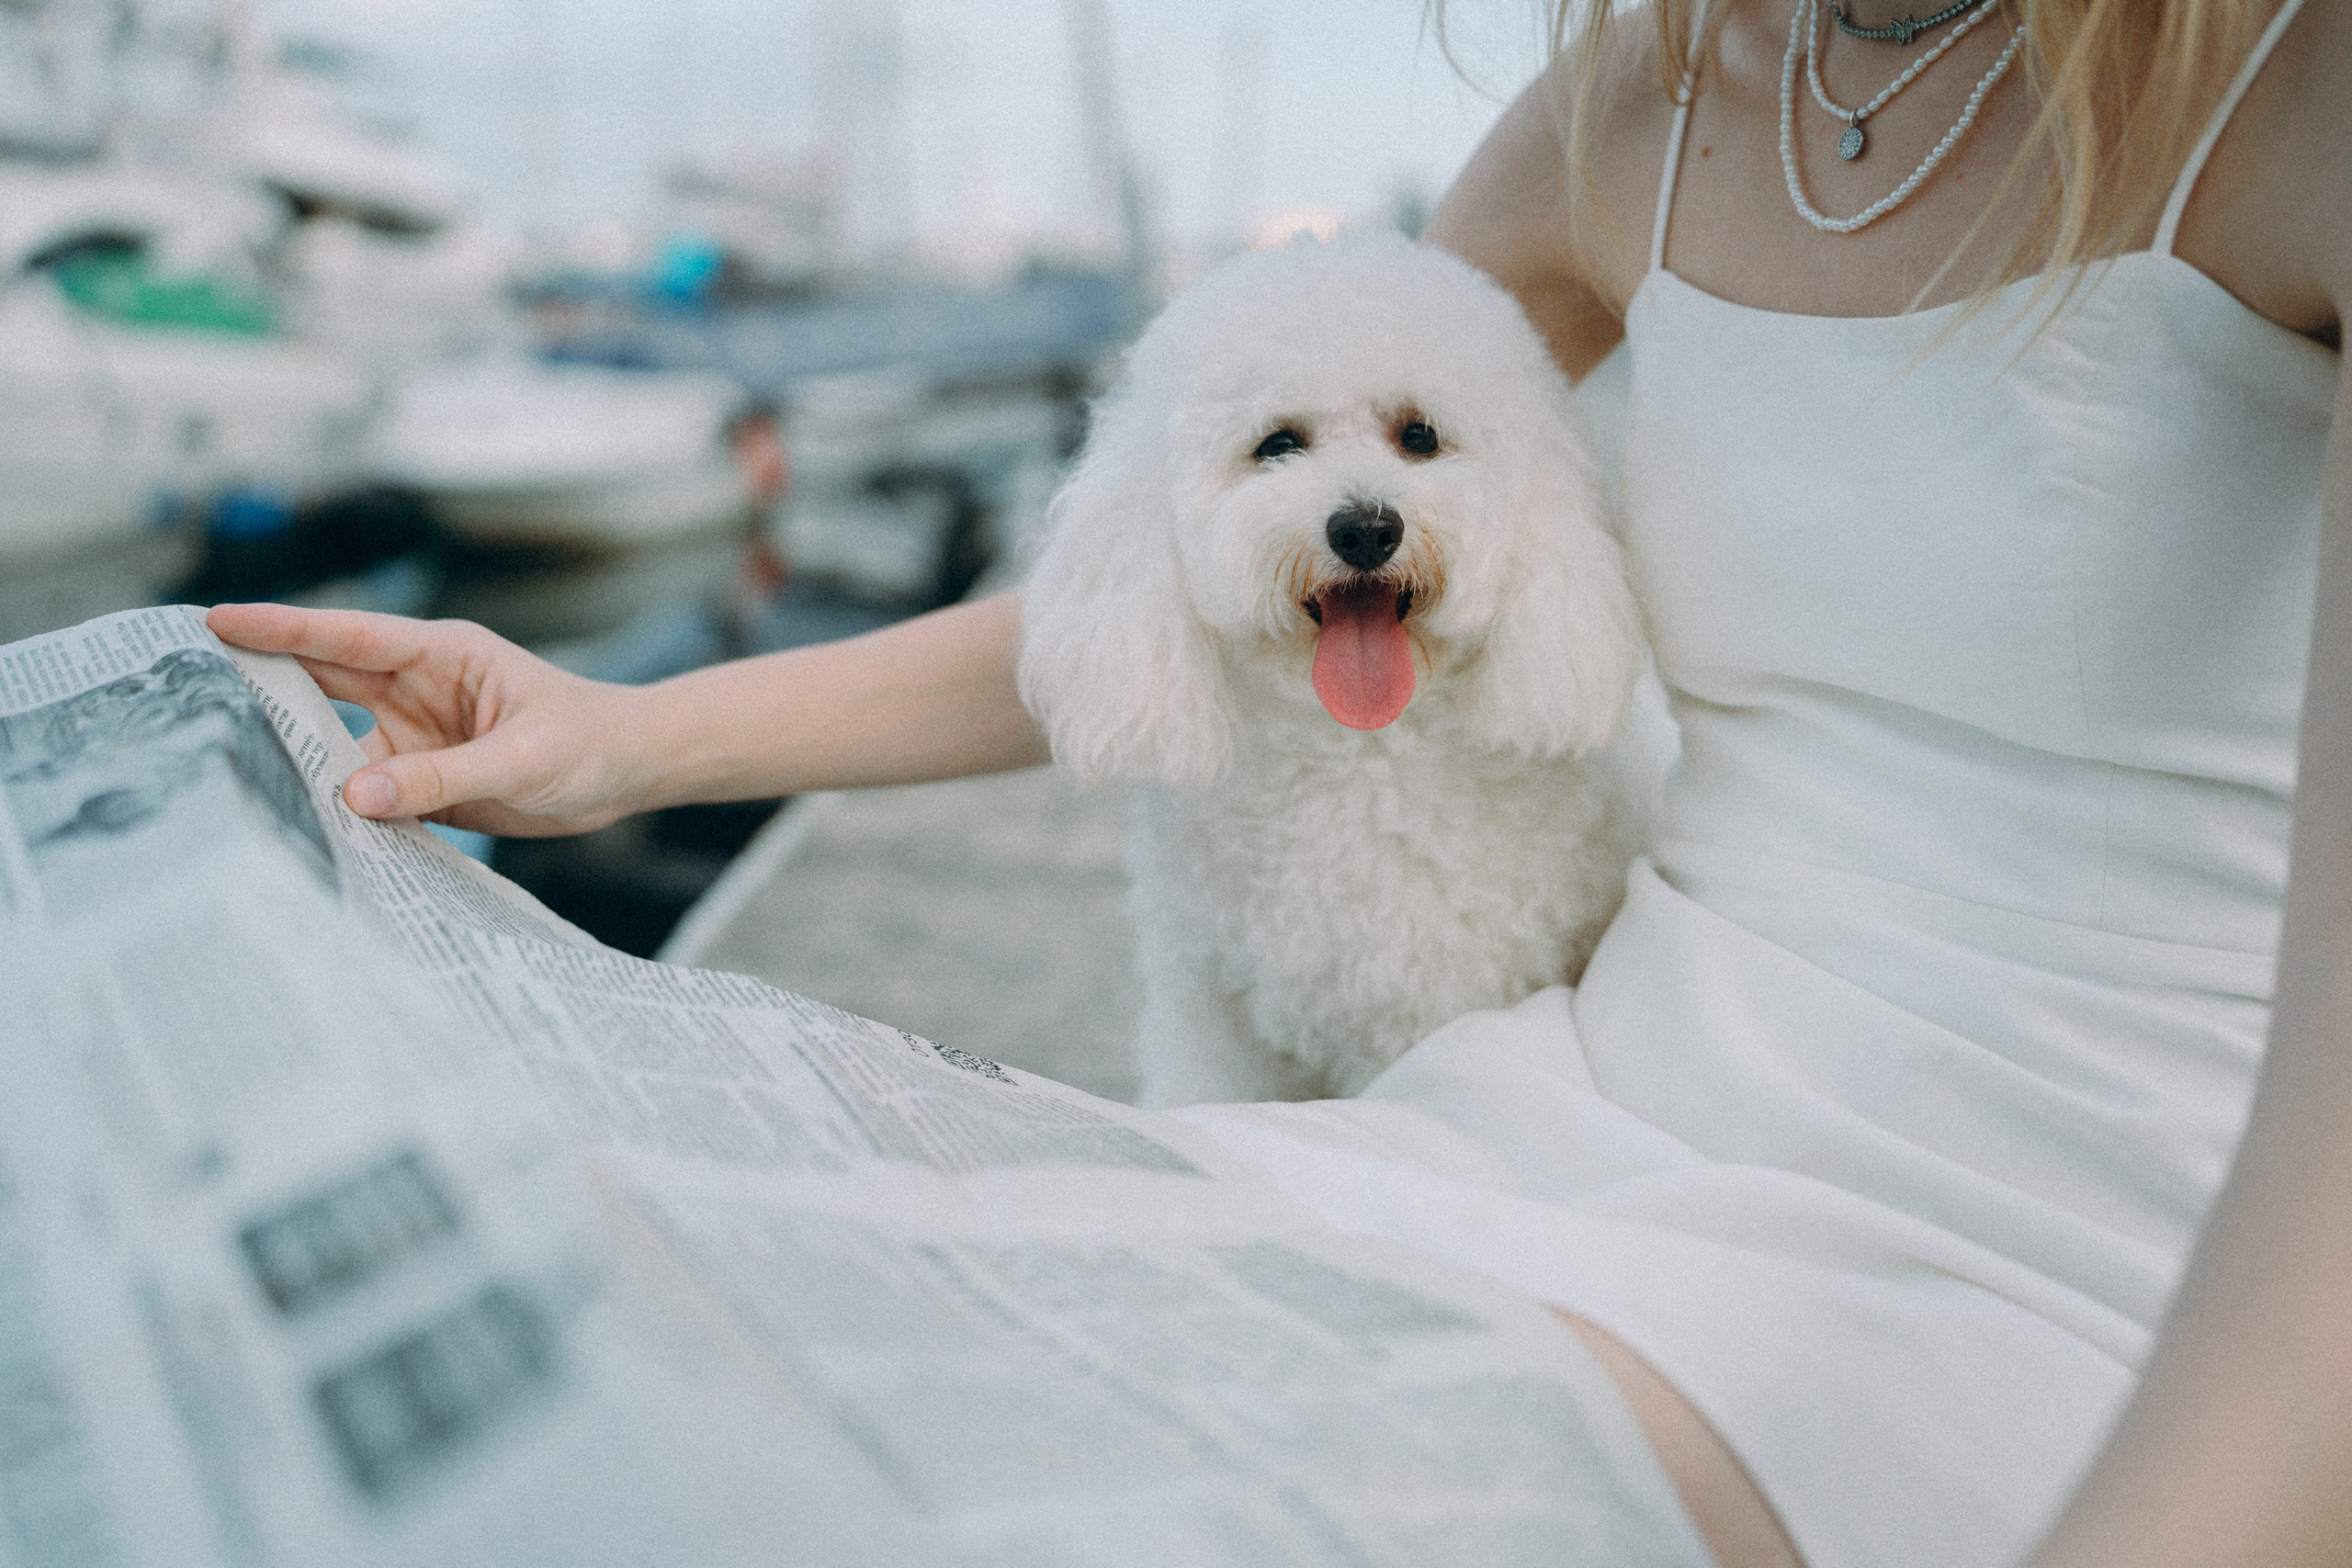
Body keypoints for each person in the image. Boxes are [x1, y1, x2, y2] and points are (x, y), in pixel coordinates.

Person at [209, 2, 2349, 1563]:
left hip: (2066, 1246)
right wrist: (625, 733)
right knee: (772, 1332)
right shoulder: (1660, 100)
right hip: (1583, 1103)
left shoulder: (2293, 83)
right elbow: (1169, 560)